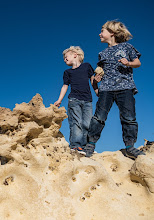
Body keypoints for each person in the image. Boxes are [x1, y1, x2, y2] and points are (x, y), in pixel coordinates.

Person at [83, 20, 146, 159]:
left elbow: (138, 63)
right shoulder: (102, 53)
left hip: (125, 87)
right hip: (106, 88)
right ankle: (90, 144)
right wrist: (96, 81)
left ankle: (130, 146)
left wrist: (128, 63)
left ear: (112, 33)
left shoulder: (127, 47)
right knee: (99, 117)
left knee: (129, 117)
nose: (99, 34)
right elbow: (99, 72)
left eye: (102, 31)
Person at [54, 46, 98, 152]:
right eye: (64, 58)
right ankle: (75, 144)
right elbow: (65, 86)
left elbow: (93, 80)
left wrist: (98, 93)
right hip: (74, 100)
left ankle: (85, 146)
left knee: (87, 124)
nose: (64, 59)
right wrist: (59, 100)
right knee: (76, 122)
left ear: (75, 55)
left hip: (87, 100)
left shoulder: (87, 66)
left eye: (66, 56)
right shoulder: (67, 72)